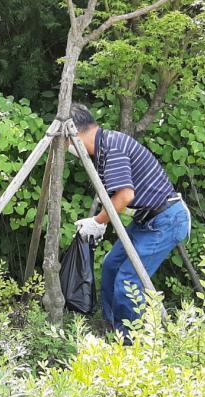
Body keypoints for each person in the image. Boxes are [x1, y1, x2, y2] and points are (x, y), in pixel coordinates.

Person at [70, 102, 190, 340]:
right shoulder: (104, 148)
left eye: (68, 142)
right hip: (146, 220)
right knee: (111, 266)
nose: (68, 148)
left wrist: (98, 221)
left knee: (128, 280)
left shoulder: (112, 147)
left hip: (165, 220)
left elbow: (125, 195)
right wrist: (101, 221)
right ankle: (112, 328)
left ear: (77, 132)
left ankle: (130, 344)